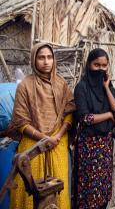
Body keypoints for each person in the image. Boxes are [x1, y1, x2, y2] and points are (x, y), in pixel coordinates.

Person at [9, 42, 75, 209]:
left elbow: (69, 113)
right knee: (29, 192)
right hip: (33, 146)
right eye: (41, 58)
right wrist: (43, 138)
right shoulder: (25, 86)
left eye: (49, 57)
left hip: (57, 144)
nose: (46, 62)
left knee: (58, 190)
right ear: (33, 60)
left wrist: (57, 136)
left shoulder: (61, 84)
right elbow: (20, 121)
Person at [73, 48, 115, 208]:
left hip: (105, 146)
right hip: (88, 147)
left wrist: (107, 87)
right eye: (96, 65)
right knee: (88, 191)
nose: (100, 69)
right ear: (88, 64)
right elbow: (85, 118)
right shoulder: (81, 87)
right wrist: (108, 115)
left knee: (102, 189)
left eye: (104, 65)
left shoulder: (108, 86)